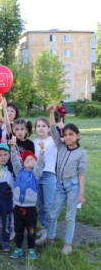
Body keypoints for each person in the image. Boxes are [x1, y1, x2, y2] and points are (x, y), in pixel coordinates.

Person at [46, 105, 87, 255]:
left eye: (71, 134)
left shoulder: (81, 153)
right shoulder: (61, 146)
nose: (68, 137)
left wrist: (81, 194)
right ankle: (49, 238)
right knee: (52, 213)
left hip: (73, 187)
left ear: (78, 136)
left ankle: (68, 243)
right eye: (66, 134)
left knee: (70, 216)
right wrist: (51, 112)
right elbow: (52, 129)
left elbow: (81, 174)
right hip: (59, 185)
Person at [9, 137, 45, 260]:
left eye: (32, 159)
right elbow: (14, 160)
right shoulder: (19, 171)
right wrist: (13, 149)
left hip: (30, 209)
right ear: (23, 163)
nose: (29, 160)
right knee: (18, 231)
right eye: (27, 159)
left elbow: (40, 164)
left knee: (31, 230)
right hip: (18, 208)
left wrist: (42, 151)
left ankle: (31, 249)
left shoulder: (35, 175)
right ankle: (18, 248)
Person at [33, 117, 58, 245]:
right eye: (38, 126)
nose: (41, 128)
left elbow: (55, 131)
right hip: (37, 176)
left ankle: (50, 233)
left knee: (49, 205)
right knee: (40, 205)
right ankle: (44, 228)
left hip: (49, 175)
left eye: (44, 126)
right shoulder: (34, 142)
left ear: (48, 129)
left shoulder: (52, 141)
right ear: (35, 129)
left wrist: (51, 113)